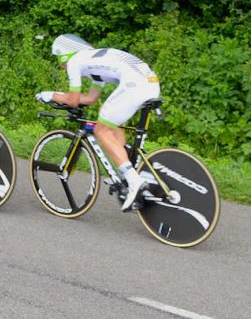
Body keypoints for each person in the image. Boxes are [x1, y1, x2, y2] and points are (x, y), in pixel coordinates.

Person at [36, 34, 161, 211]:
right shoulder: (94, 60)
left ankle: (133, 180)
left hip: (135, 84)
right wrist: (67, 98)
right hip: (150, 83)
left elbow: (72, 100)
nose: (62, 66)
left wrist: (50, 95)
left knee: (101, 130)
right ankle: (128, 169)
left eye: (59, 60)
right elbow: (90, 98)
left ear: (64, 54)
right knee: (109, 119)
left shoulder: (75, 61)